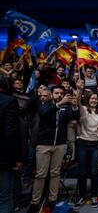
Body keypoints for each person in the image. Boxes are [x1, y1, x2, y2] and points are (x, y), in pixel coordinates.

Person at [27, 85, 80, 213]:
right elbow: (44, 113)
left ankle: (52, 200)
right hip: (44, 145)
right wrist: (59, 104)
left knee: (55, 174)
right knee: (41, 174)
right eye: (56, 93)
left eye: (61, 93)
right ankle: (35, 202)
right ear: (51, 94)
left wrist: (74, 106)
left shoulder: (65, 107)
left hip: (60, 145)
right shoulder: (44, 103)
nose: (59, 95)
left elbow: (74, 117)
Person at [73, 92, 98, 209]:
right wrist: (79, 90)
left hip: (96, 144)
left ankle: (94, 195)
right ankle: (82, 196)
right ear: (88, 99)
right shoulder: (83, 109)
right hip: (83, 143)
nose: (93, 100)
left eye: (95, 99)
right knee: (82, 171)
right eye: (91, 98)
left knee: (94, 171)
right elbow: (77, 103)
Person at [0, 75, 22, 213]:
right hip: (3, 157)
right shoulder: (9, 101)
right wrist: (17, 157)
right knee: (4, 196)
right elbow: (11, 133)